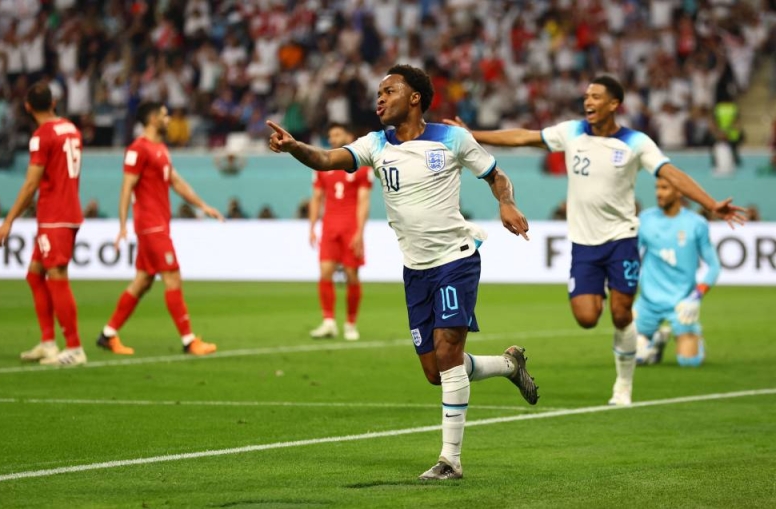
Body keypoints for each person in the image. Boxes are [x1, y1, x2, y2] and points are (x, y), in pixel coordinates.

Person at [267, 64, 539, 481]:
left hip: (456, 259)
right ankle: (509, 365)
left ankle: (450, 460)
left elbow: (495, 175)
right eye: (378, 93)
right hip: (416, 269)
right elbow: (325, 159)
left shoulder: (452, 138)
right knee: (435, 371)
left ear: (414, 98)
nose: (380, 98)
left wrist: (507, 202)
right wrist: (294, 147)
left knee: (448, 353)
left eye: (389, 91)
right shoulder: (375, 143)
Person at [445, 75, 746, 406]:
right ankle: (610, 302)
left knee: (621, 314)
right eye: (587, 96)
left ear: (614, 104)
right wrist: (473, 135)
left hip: (621, 239)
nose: (588, 101)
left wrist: (711, 204)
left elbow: (670, 173)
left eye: (596, 96)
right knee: (587, 318)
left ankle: (623, 386)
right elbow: (523, 136)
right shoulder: (572, 132)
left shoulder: (636, 142)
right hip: (584, 244)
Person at [95, 101, 223, 356]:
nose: (168, 119)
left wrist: (202, 205)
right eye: (164, 115)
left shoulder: (161, 149)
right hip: (150, 225)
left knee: (142, 281)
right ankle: (189, 341)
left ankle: (108, 335)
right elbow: (127, 187)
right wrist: (122, 225)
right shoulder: (138, 149)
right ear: (152, 119)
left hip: (159, 223)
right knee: (172, 277)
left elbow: (176, 181)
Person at [0, 81, 87, 366]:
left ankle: (74, 347)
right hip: (66, 210)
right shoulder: (71, 128)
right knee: (35, 274)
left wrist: (8, 221)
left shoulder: (41, 136)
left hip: (55, 215)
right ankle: (48, 342)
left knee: (56, 274)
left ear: (27, 107)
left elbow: (31, 183)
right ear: (54, 103)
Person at [634, 177, 721, 367]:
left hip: (681, 304)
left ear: (679, 191)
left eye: (664, 188)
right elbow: (632, 258)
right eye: (657, 188)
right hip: (648, 302)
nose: (658, 193)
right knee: (631, 357)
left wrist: (696, 296)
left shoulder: (696, 223)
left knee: (689, 362)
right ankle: (654, 342)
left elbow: (714, 266)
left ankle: (693, 339)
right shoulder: (645, 220)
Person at [308, 122, 373, 341]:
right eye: (331, 135)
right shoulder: (321, 165)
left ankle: (350, 324)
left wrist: (360, 232)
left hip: (350, 227)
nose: (333, 138)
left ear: (349, 136)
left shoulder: (362, 166)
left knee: (351, 275)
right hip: (329, 227)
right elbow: (317, 198)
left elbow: (364, 201)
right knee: (325, 272)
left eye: (337, 134)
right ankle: (328, 322)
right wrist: (312, 227)